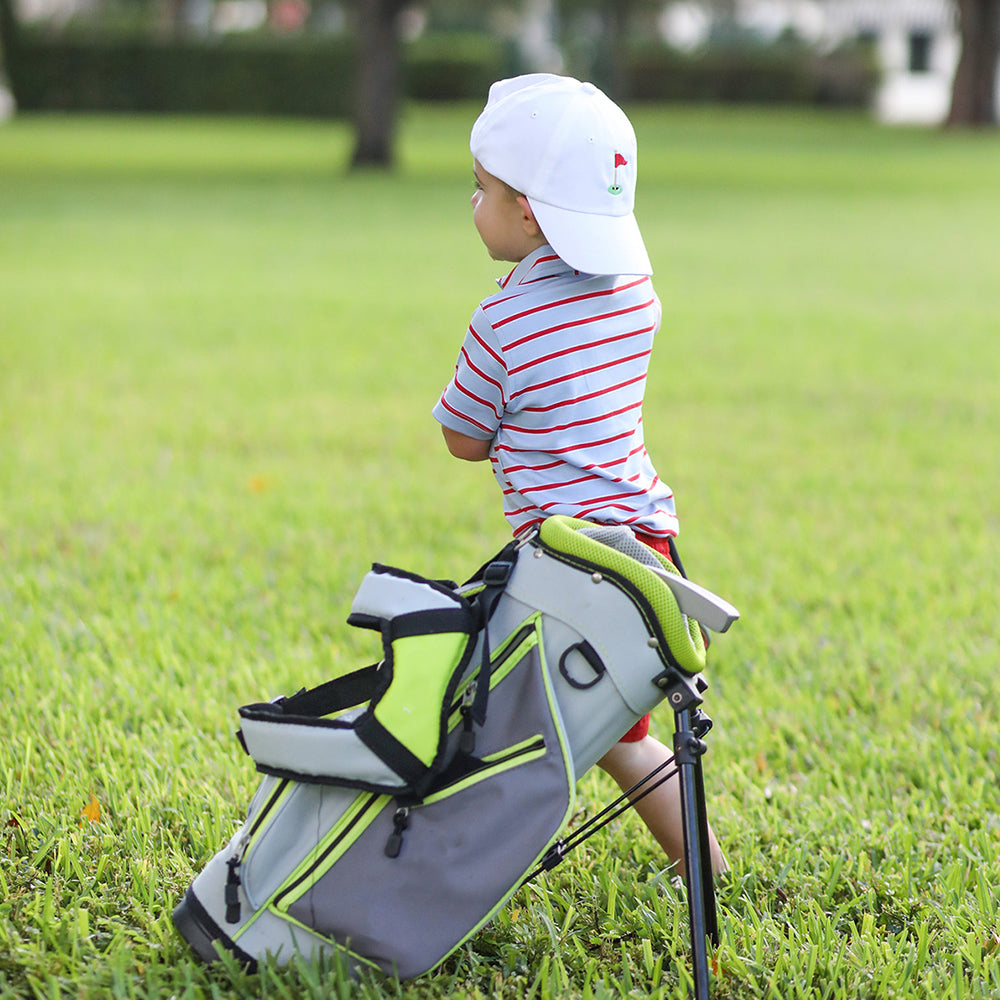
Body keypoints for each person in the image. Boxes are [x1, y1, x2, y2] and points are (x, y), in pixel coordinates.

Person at [432, 74, 726, 878]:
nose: (473, 203)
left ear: (528, 210)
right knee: (617, 733)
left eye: (481, 188)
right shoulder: (637, 294)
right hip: (647, 545)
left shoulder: (502, 320)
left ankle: (445, 869)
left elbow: (462, 437)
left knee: (510, 725)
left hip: (566, 564)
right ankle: (696, 862)